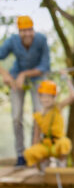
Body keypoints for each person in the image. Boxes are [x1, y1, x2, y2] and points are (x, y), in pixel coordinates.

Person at [0, 15, 50, 166]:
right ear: (19, 31)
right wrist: (5, 74)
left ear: (33, 29)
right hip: (16, 80)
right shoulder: (12, 41)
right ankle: (21, 155)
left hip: (37, 78)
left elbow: (45, 66)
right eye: (24, 31)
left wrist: (24, 74)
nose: (27, 33)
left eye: (30, 30)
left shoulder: (41, 40)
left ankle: (35, 152)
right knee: (16, 117)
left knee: (39, 114)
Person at [24, 78, 74, 169]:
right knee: (30, 152)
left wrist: (67, 79)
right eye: (43, 96)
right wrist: (36, 155)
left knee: (64, 143)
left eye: (49, 96)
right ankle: (44, 164)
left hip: (58, 143)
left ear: (54, 97)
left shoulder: (58, 108)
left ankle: (61, 163)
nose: (46, 99)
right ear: (39, 97)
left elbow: (72, 97)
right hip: (46, 146)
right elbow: (36, 136)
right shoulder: (38, 116)